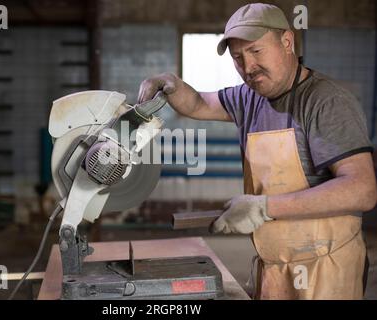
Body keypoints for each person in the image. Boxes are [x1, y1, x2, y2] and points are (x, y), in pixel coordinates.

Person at [137, 3, 376, 299]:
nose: (248, 68)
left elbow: (362, 189)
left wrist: (264, 207)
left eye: (256, 52)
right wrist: (171, 82)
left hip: (326, 267)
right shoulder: (248, 97)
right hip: (274, 264)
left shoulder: (326, 102)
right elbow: (197, 103)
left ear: (287, 42)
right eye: (238, 58)